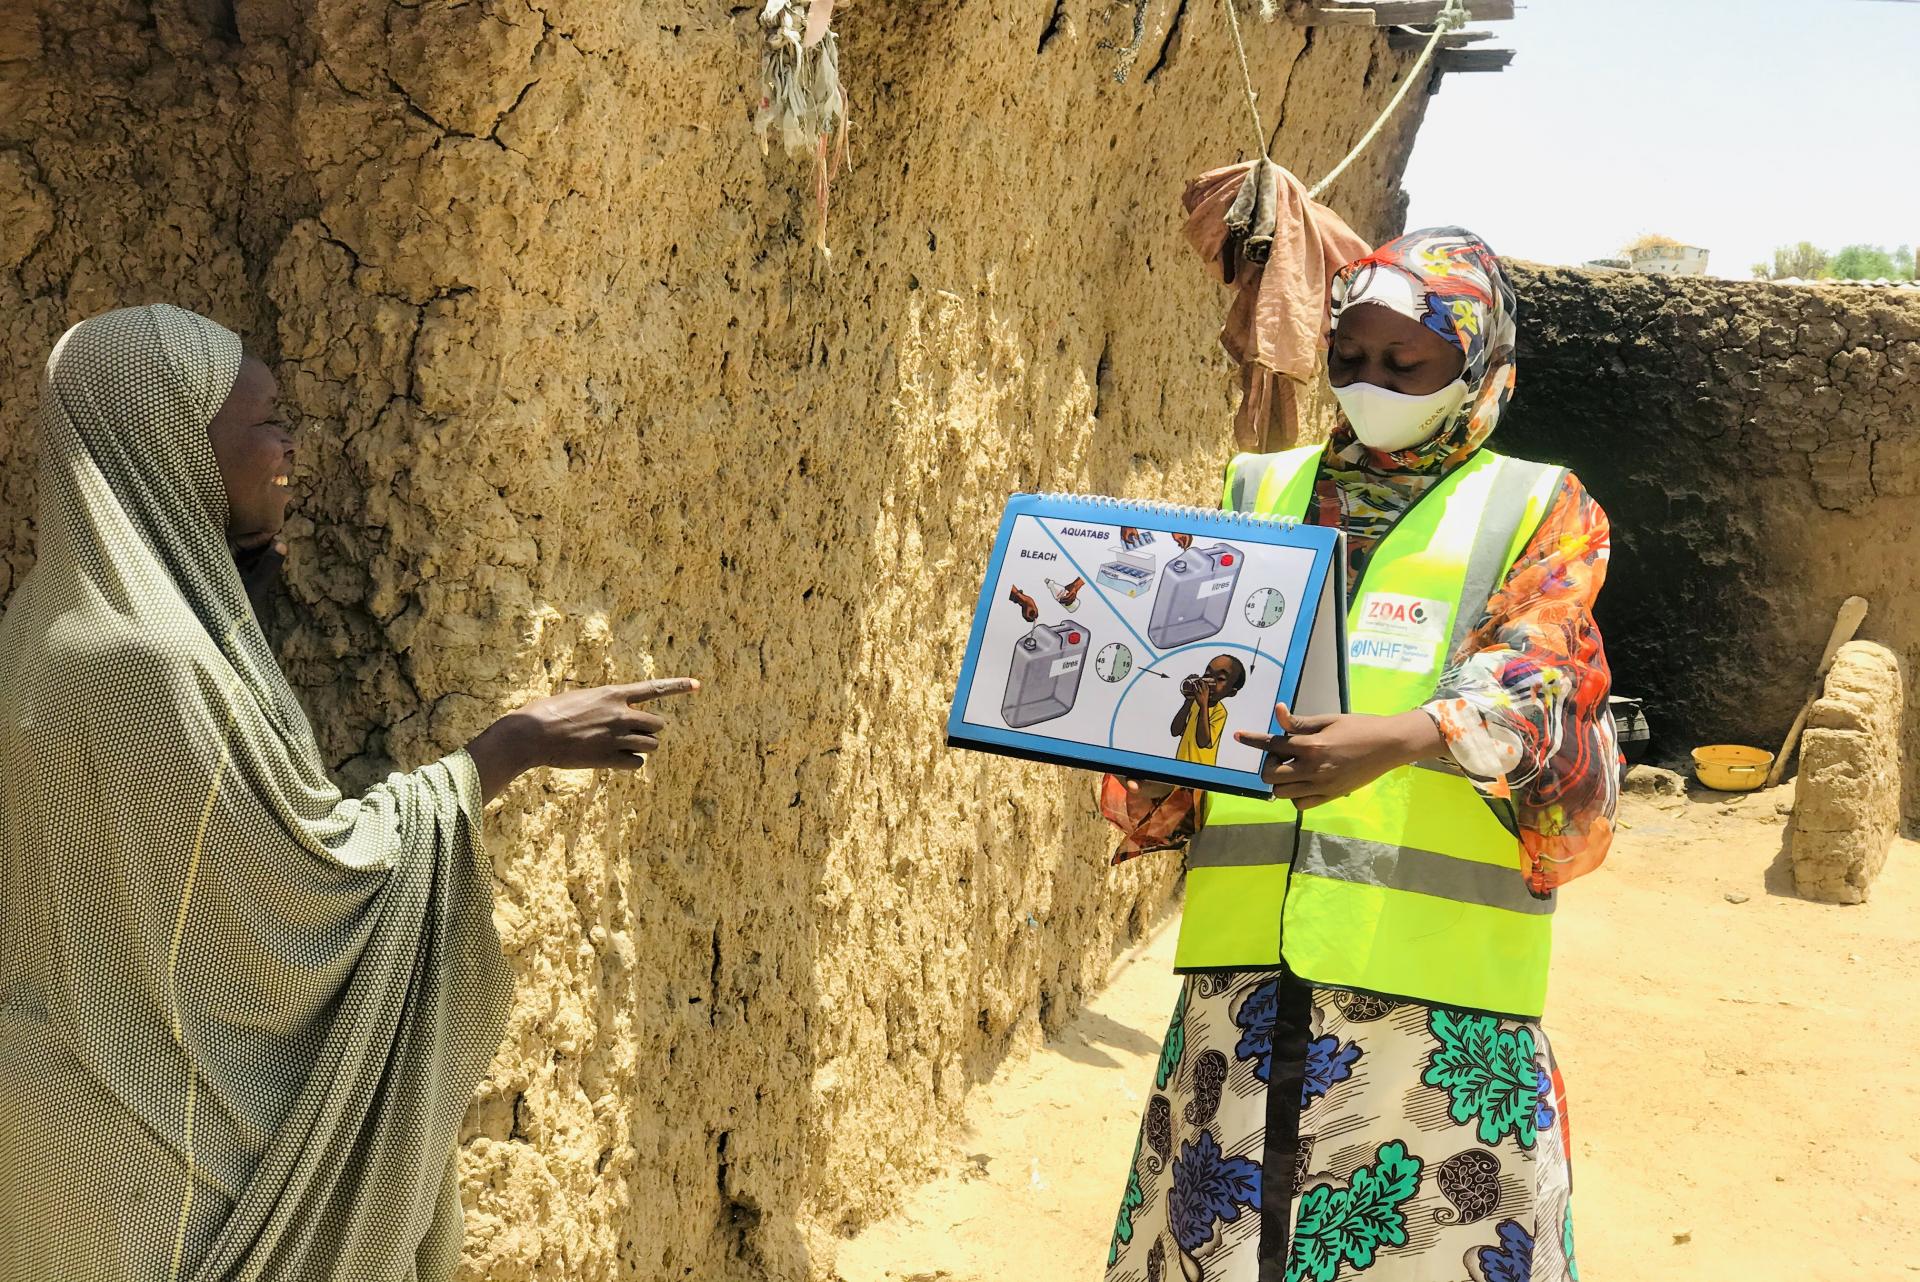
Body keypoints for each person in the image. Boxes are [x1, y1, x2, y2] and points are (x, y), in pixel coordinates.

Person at [0, 304, 699, 1281]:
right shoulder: (150, 659)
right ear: (176, 448)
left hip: (63, 1137)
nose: (289, 447)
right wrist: (509, 748)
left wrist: (242, 601)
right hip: (154, 1162)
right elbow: (308, 875)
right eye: (267, 422)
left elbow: (178, 863)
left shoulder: (51, 617)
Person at [1103, 230, 1616, 1282]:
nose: (1369, 384)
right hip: (1247, 989)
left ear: (1478, 368)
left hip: (1435, 1008)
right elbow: (1199, 670)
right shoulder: (1263, 489)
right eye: (1351, 357)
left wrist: (1401, 738)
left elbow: (1546, 680)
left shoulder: (1536, 508)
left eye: (1405, 364)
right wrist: (1132, 727)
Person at [1171, 654, 1248, 767]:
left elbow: (1203, 742)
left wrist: (1203, 705)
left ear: (1231, 692)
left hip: (1201, 771)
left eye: (1220, 678)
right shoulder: (1194, 703)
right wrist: (1188, 700)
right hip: (1180, 767)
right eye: (1207, 675)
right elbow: (1175, 731)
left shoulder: (1220, 712)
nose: (1209, 681)